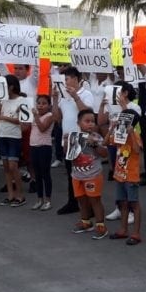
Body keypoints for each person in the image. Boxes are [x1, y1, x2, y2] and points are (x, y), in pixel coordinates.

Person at [51, 66, 94, 214]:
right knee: (72, 174)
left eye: (66, 79)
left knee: (85, 173)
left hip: (81, 138)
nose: (64, 83)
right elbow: (57, 118)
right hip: (68, 139)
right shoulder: (63, 96)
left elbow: (87, 113)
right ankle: (73, 202)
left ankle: (90, 205)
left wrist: (76, 97)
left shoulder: (86, 93)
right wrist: (55, 98)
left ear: (75, 79)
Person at [69, 109, 108, 239]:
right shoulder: (74, 136)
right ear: (78, 123)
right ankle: (85, 222)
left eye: (93, 121)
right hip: (77, 175)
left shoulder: (97, 137)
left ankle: (100, 225)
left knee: (95, 200)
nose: (90, 124)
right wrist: (67, 143)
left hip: (93, 175)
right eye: (87, 121)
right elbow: (68, 155)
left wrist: (95, 145)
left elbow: (105, 154)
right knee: (81, 199)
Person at [106, 109, 143, 244]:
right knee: (122, 202)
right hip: (120, 174)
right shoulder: (119, 134)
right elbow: (107, 143)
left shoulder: (136, 135)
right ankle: (123, 229)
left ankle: (136, 233)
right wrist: (112, 128)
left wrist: (131, 132)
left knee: (134, 203)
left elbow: (137, 150)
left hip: (131, 175)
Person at [0, 74, 27, 207]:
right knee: (6, 167)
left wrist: (3, 117)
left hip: (14, 136)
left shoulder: (22, 100)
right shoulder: (3, 100)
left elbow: (22, 120)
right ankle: (10, 195)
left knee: (13, 166)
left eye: (4, 86)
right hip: (2, 135)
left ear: (11, 87)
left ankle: (20, 195)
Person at [30, 94, 55, 211]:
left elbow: (42, 128)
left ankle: (48, 200)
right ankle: (39, 199)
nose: (40, 106)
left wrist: (35, 115)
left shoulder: (50, 116)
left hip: (44, 147)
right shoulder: (33, 116)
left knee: (45, 174)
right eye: (39, 103)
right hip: (34, 147)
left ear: (49, 106)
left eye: (44, 103)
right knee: (37, 175)